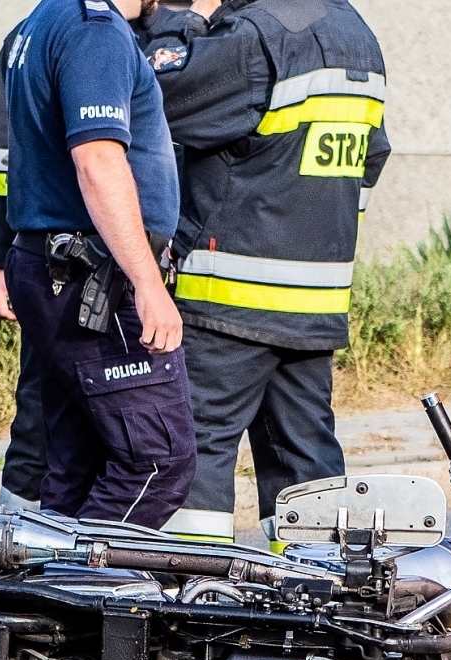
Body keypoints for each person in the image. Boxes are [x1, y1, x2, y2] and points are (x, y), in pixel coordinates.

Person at [141, 0, 390, 546]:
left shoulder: (255, 35)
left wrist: (186, 22)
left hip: (228, 299)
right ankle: (319, 601)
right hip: (316, 300)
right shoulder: (357, 33)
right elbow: (372, 157)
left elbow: (156, 97)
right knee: (305, 459)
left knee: (197, 449)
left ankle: (195, 599)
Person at [2, 0, 195, 528]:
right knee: (157, 461)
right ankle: (86, 587)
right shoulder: (96, 31)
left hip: (54, 268)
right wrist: (147, 284)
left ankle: (54, 598)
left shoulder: (44, 20)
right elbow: (97, 160)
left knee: (78, 466)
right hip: (94, 280)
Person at [0, 18, 47, 514]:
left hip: (134, 274)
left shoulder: (161, 33)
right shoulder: (29, 37)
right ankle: (14, 540)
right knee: (40, 415)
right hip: (52, 265)